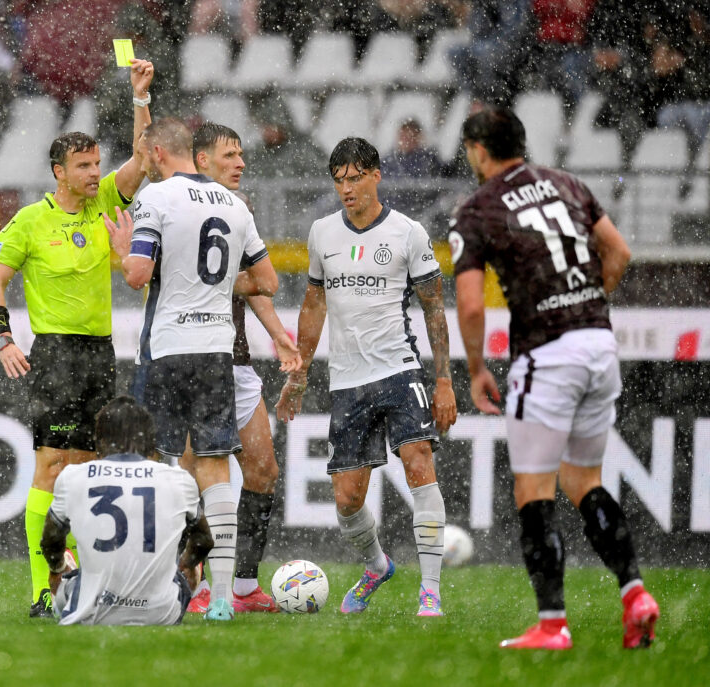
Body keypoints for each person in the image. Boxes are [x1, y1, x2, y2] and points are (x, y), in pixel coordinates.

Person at [449, 106, 659, 650]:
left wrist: (475, 368)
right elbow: (618, 252)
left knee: (533, 489)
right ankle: (635, 593)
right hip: (597, 342)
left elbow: (471, 306)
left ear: (477, 150)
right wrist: (582, 306)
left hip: (547, 355)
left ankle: (551, 624)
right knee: (582, 479)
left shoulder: (477, 210)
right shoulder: (567, 184)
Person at [0, 58, 154, 619]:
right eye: (83, 165)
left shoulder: (106, 199)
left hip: (99, 354)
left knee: (82, 470)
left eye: (95, 164)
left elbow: (144, 159)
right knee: (51, 464)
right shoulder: (30, 221)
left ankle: (73, 574)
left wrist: (138, 98)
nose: (92, 172)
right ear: (58, 171)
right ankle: (40, 587)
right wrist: (5, 339)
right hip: (54, 354)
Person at [104, 116, 282, 621]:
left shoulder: (155, 200)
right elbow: (265, 279)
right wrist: (215, 286)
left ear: (158, 153)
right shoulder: (235, 204)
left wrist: (124, 252)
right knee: (215, 468)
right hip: (217, 351)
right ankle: (222, 598)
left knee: (162, 467)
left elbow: (138, 276)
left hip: (168, 348)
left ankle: (158, 587)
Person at [276, 136, 457, 618]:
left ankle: (431, 591)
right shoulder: (321, 233)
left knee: (418, 462)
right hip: (347, 381)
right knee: (347, 499)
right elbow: (313, 305)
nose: (347, 189)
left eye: (355, 178)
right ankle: (376, 566)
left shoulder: (408, 232)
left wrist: (443, 381)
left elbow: (435, 309)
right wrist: (298, 377)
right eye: (339, 180)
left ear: (377, 175)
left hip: (399, 369)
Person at [182, 121, 302, 614]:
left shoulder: (240, 209)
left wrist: (278, 336)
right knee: (194, 479)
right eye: (230, 155)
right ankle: (195, 584)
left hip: (236, 360)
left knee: (263, 470)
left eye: (241, 154)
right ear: (202, 159)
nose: (241, 163)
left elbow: (257, 284)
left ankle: (244, 586)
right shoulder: (177, 207)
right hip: (190, 360)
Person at [39, 396, 215, 625]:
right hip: (160, 613)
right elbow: (204, 541)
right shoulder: (179, 480)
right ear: (149, 440)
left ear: (99, 439)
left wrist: (57, 569)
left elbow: (51, 540)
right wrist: (186, 565)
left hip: (93, 612)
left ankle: (67, 589)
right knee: (190, 564)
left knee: (66, 569)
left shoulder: (73, 477)